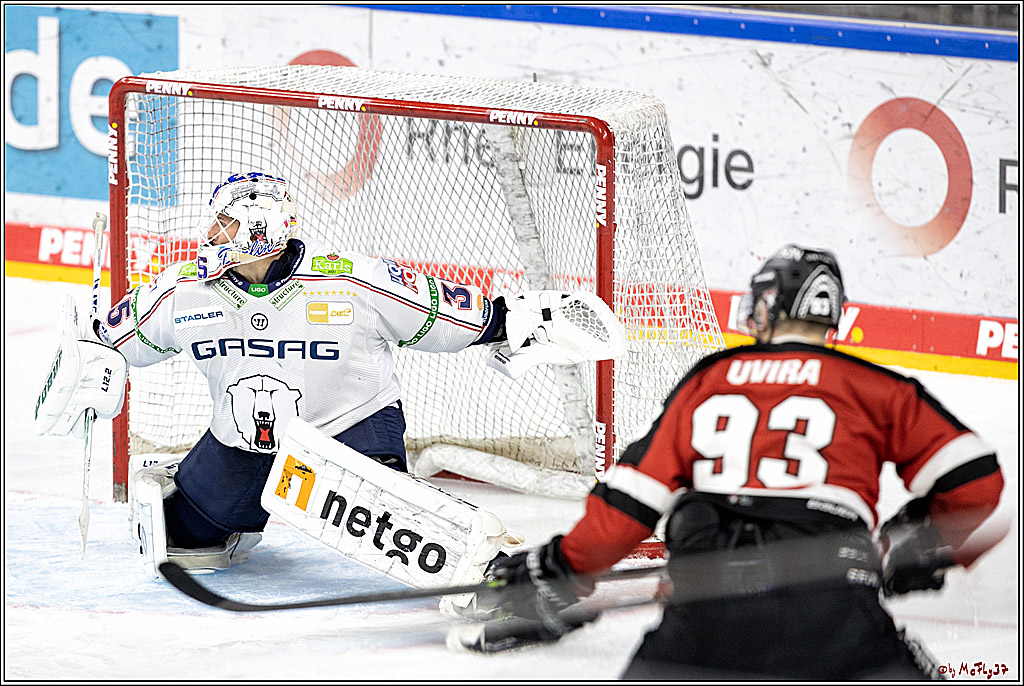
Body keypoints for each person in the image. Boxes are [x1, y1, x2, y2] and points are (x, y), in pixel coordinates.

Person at [465, 244, 1008, 680]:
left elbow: (630, 504)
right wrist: (916, 543)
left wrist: (560, 568)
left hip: (704, 613)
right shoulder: (877, 386)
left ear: (768, 307)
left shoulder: (711, 378)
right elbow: (976, 481)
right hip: (834, 614)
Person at [39, 171, 617, 572]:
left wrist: (515, 321)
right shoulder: (182, 293)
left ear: (260, 227)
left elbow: (444, 312)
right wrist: (95, 364)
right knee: (182, 540)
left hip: (349, 437)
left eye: (225, 225)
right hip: (241, 445)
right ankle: (227, 509)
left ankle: (494, 566)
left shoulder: (351, 280)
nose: (211, 237)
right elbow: (104, 341)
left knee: (405, 537)